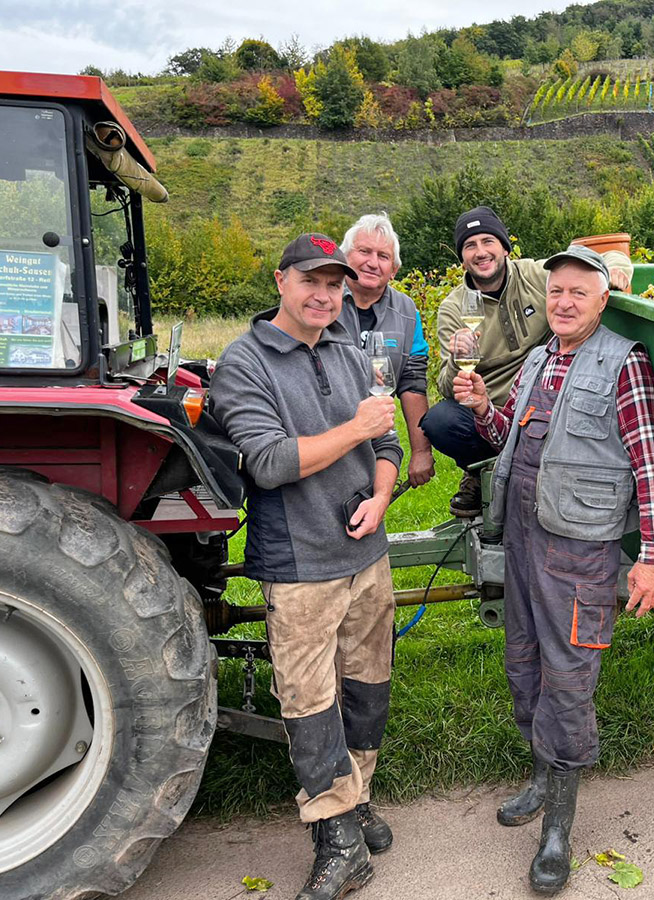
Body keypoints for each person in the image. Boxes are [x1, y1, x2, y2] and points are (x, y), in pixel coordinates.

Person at [452, 244, 654, 895]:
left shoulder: (623, 362)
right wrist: (483, 411)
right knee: (523, 664)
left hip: (578, 551)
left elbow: (650, 464)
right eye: (556, 293)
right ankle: (542, 779)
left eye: (579, 292)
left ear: (603, 298)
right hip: (523, 539)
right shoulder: (540, 358)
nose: (565, 302)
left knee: (569, 678)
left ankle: (559, 831)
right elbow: (507, 441)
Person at [211, 233, 402, 900]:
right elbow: (267, 462)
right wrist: (356, 429)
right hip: (301, 563)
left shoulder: (349, 351)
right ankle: (337, 840)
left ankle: (357, 798)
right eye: (310, 281)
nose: (324, 295)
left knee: (366, 687)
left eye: (335, 284)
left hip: (365, 553)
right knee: (310, 701)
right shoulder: (244, 363)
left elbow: (386, 442)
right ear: (280, 281)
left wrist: (380, 496)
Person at [421, 206, 633, 518]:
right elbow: (447, 386)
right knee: (440, 421)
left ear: (505, 247)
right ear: (462, 258)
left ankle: (526, 471)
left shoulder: (535, 275)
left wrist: (616, 270)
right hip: (490, 408)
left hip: (545, 397)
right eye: (470, 246)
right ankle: (485, 473)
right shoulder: (454, 308)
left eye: (488, 242)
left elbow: (603, 258)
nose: (481, 252)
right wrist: (456, 359)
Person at [337, 213, 435, 487]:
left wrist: (421, 451)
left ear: (394, 269)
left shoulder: (407, 311)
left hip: (378, 434)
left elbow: (412, 382)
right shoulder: (324, 300)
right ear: (345, 258)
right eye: (364, 251)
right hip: (326, 426)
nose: (372, 262)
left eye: (383, 256)